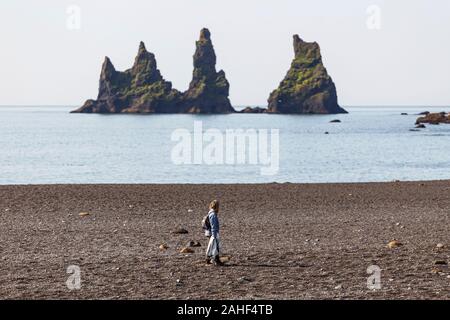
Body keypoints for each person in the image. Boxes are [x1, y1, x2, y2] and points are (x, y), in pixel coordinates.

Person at [205, 200, 223, 266]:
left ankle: (209, 259)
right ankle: (216, 260)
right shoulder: (213, 214)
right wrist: (214, 235)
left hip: (211, 232)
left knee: (212, 246)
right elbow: (213, 225)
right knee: (215, 246)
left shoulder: (210, 213)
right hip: (213, 233)